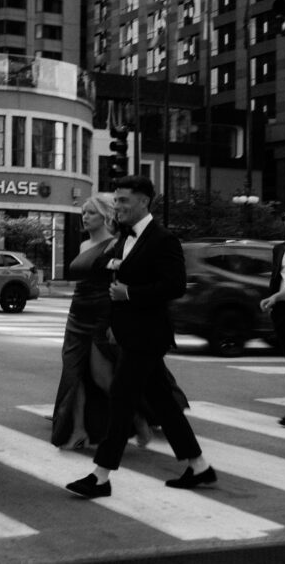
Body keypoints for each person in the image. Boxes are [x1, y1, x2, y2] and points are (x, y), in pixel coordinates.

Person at [67, 176, 215, 499]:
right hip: (127, 332)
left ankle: (101, 476)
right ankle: (200, 466)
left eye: (123, 201)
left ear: (144, 202)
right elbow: (112, 276)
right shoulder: (123, 238)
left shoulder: (163, 240)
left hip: (148, 335)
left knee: (120, 398)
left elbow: (174, 286)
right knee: (164, 404)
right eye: (116, 200)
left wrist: (131, 293)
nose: (117, 206)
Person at [51, 194, 119, 449]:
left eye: (90, 213)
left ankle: (134, 416)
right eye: (84, 212)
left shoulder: (114, 245)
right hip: (76, 315)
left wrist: (113, 323)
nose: (85, 217)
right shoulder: (82, 245)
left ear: (105, 216)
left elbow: (116, 283)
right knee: (73, 374)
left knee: (102, 377)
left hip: (99, 316)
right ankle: (78, 429)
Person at [260, 204, 285, 433]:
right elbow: (279, 277)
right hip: (283, 310)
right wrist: (273, 300)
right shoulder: (279, 249)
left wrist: (275, 297)